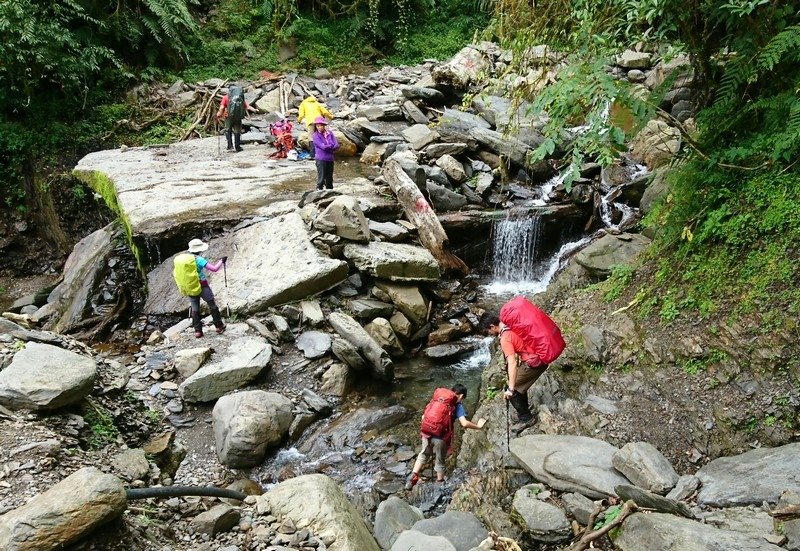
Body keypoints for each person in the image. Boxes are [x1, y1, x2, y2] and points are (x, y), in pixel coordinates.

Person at [405, 383, 486, 490]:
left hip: (426, 432)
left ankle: (412, 477)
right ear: (461, 396)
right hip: (440, 437)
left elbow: (423, 416)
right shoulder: (457, 405)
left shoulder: (438, 400)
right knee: (440, 460)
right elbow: (464, 423)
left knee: (423, 454)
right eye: (463, 398)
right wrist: (478, 427)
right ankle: (440, 485)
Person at [480, 313, 548, 431]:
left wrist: (510, 389)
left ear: (492, 326)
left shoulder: (505, 338)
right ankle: (525, 409)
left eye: (488, 332)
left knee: (512, 388)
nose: (490, 334)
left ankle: (526, 418)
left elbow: (512, 363)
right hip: (540, 355)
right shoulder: (510, 325)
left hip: (534, 362)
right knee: (517, 385)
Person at [186, 238, 227, 338]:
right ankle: (218, 326)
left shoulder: (186, 260)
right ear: (199, 249)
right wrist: (221, 261)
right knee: (212, 305)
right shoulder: (199, 259)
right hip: (202, 285)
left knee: (195, 309)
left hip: (191, 286)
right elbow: (214, 269)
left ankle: (198, 331)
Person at [215, 83, 258, 153]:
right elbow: (247, 106)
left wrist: (218, 114)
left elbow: (222, 107)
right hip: (238, 117)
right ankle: (237, 147)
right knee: (237, 131)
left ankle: (230, 146)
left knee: (228, 130)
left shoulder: (226, 97)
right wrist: (255, 110)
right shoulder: (240, 98)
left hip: (228, 116)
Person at [298, 95, 333, 159]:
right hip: (319, 122)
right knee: (320, 136)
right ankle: (321, 153)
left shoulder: (303, 103)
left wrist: (299, 120)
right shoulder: (316, 103)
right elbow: (324, 111)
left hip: (310, 122)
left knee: (311, 137)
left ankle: (312, 155)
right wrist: (331, 116)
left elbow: (301, 115)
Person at [311, 116, 339, 190]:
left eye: (321, 125)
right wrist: (331, 146)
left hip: (330, 159)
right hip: (321, 159)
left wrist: (329, 146)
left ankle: (330, 194)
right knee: (321, 178)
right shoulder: (315, 135)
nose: (319, 127)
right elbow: (323, 147)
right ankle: (318, 192)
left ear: (324, 126)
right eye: (318, 126)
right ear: (316, 126)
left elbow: (336, 145)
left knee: (329, 179)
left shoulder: (330, 133)